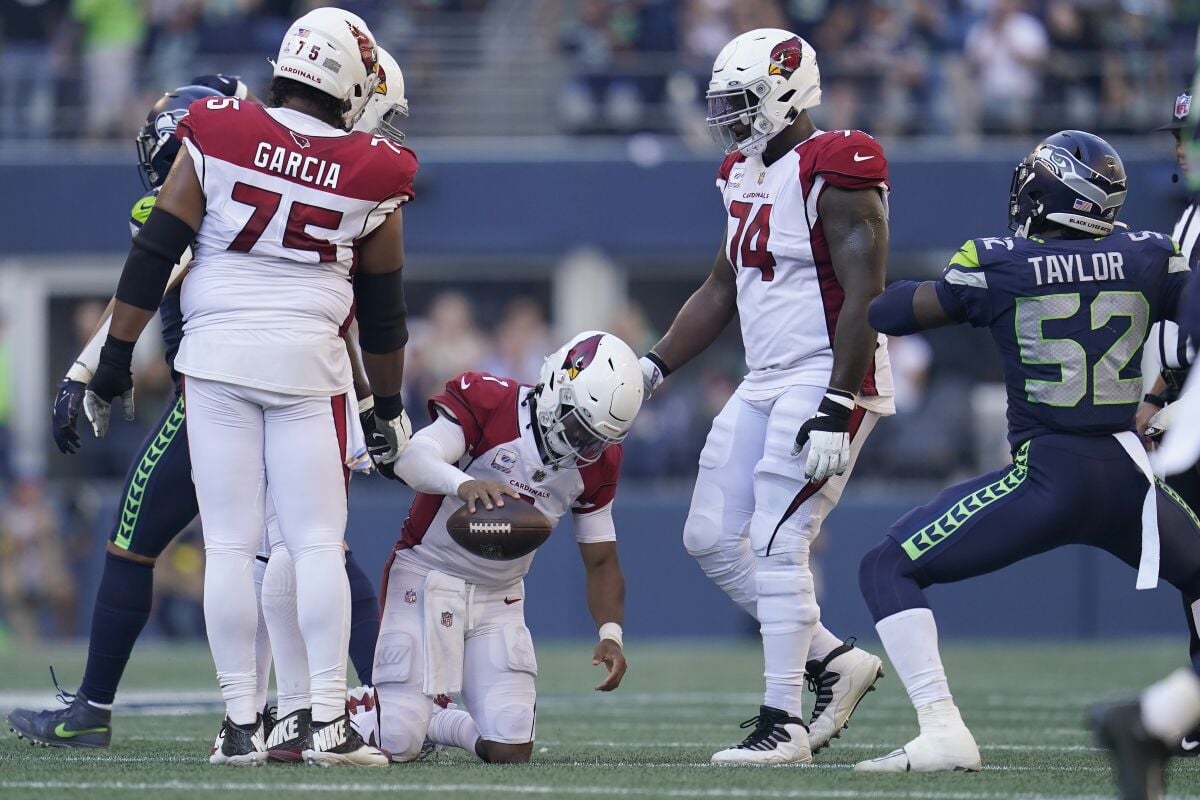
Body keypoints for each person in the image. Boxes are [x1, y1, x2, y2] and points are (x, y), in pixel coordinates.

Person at [79, 7, 414, 766]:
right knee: (316, 544)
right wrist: (387, 408)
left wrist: (113, 358)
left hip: (215, 361)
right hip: (306, 366)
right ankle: (329, 722)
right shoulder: (378, 166)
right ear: (351, 79)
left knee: (228, 548)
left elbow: (156, 248)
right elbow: (386, 313)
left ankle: (239, 727)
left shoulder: (219, 127)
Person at [856, 130, 1200, 774]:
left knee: (885, 566)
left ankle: (942, 730)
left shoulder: (1000, 260)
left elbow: (893, 312)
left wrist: (870, 277)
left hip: (1047, 477)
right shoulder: (1154, 255)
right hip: (1131, 478)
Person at [636, 28, 893, 765]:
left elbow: (863, 293)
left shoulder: (836, 164)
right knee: (710, 536)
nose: (728, 117)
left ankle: (782, 722)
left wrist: (839, 401)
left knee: (783, 542)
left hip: (828, 370)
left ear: (787, 94)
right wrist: (654, 368)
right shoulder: (740, 169)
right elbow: (723, 287)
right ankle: (834, 660)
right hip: (768, 374)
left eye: (741, 102)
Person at [355, 331, 641, 764]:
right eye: (577, 426)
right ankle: (341, 713)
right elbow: (411, 458)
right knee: (397, 741)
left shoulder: (597, 464)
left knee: (510, 749)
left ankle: (437, 720)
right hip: (426, 575)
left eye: (594, 439)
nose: (582, 446)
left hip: (498, 597)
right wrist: (463, 482)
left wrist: (611, 634)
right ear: (555, 388)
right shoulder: (491, 400)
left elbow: (601, 558)